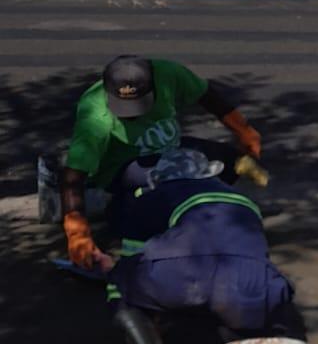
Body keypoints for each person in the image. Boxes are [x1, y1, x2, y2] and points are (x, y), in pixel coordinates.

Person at [97, 147, 302, 344]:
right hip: (252, 286)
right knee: (252, 293)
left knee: (121, 284)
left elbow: (133, 258)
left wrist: (110, 268)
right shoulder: (242, 199)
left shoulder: (156, 196)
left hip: (183, 277)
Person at [61, 55, 262, 271]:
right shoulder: (95, 115)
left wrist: (243, 130)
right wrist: (77, 232)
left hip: (168, 150)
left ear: (153, 87)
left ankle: (181, 203)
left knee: (230, 163)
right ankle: (126, 207)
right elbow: (74, 175)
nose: (131, 116)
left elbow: (207, 96)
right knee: (145, 209)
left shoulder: (168, 74)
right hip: (122, 166)